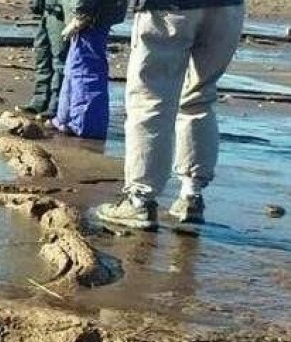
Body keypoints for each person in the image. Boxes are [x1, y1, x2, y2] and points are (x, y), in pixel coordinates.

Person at [95, 0, 245, 229]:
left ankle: (140, 200)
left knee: (150, 100)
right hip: (227, 8)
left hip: (168, 9)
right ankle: (191, 195)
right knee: (200, 96)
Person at [49, 0, 127, 140]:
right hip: (95, 13)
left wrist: (81, 14)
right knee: (75, 66)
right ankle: (66, 119)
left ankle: (85, 125)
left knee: (85, 68)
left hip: (92, 15)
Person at [16, 0, 68, 120]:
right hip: (48, 10)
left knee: (59, 60)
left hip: (60, 12)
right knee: (43, 55)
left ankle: (55, 106)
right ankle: (39, 101)